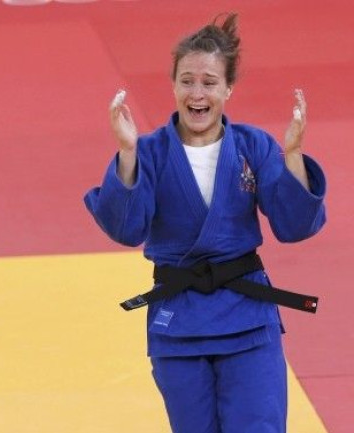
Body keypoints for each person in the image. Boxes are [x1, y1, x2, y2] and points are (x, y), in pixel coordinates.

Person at [84, 13, 326, 433]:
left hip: (248, 317)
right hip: (179, 320)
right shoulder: (151, 151)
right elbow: (126, 230)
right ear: (174, 85)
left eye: (210, 82)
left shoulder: (253, 146)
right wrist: (126, 153)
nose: (198, 93)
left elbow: (294, 225)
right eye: (188, 80)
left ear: (228, 89)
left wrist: (292, 157)